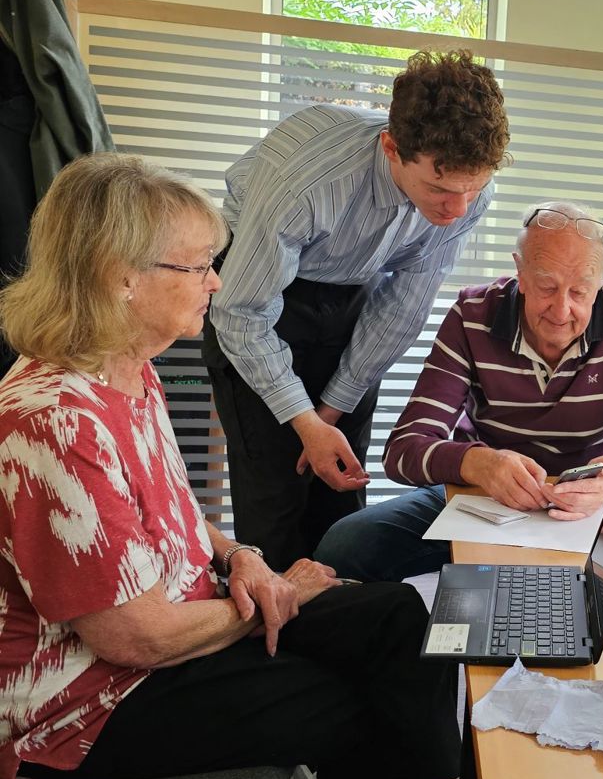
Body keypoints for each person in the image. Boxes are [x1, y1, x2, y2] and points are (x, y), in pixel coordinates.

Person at [0, 154, 461, 779]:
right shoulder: (51, 420)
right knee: (368, 700)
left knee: (394, 619)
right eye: (198, 266)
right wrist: (272, 597)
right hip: (87, 704)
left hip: (175, 626)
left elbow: (173, 508)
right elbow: (132, 637)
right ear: (123, 277)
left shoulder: (127, 367)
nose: (216, 281)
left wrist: (242, 556)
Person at [202, 49, 510, 570]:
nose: (457, 209)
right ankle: (272, 639)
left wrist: (328, 416)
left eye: (472, 190)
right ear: (391, 147)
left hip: (350, 298)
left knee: (340, 494)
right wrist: (304, 423)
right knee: (276, 499)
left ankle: (339, 635)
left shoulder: (463, 192)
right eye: (439, 188)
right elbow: (240, 312)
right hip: (258, 293)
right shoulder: (306, 181)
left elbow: (403, 304)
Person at [314, 201, 603, 582]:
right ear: (520, 271)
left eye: (580, 292)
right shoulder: (472, 314)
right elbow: (403, 450)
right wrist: (478, 463)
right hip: (483, 497)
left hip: (590, 509)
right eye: (547, 286)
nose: (562, 311)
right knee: (344, 546)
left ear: (599, 285)